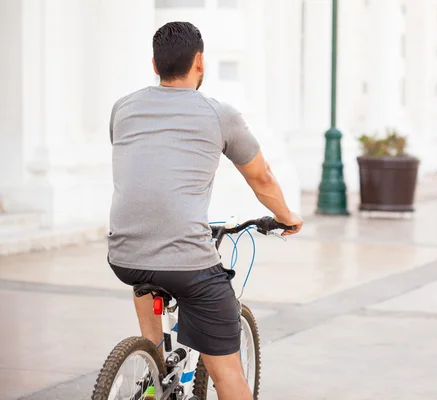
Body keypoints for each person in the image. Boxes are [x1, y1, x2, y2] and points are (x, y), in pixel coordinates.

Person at [107, 21, 303, 399]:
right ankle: (165, 369)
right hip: (186, 260)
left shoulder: (122, 109)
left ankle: (153, 364)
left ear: (154, 64)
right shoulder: (218, 113)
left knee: (150, 267)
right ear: (200, 62)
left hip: (123, 254)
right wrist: (288, 216)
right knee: (228, 374)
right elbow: (262, 178)